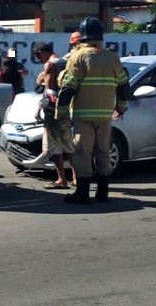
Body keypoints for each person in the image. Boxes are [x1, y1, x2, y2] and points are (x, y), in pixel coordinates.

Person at [56, 17, 130, 204]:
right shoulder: (113, 58)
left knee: (83, 152)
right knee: (103, 151)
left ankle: (82, 193)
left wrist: (61, 112)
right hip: (105, 115)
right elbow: (124, 87)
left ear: (81, 37)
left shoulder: (78, 57)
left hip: (83, 116)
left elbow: (68, 88)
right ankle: (102, 192)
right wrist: (120, 108)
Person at [33, 42, 77, 189]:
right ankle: (76, 177)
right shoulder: (65, 62)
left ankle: (62, 179)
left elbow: (49, 91)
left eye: (38, 57)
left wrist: (40, 81)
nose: (40, 60)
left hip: (53, 109)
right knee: (68, 145)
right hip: (66, 107)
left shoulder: (50, 65)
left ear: (40, 53)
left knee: (54, 146)